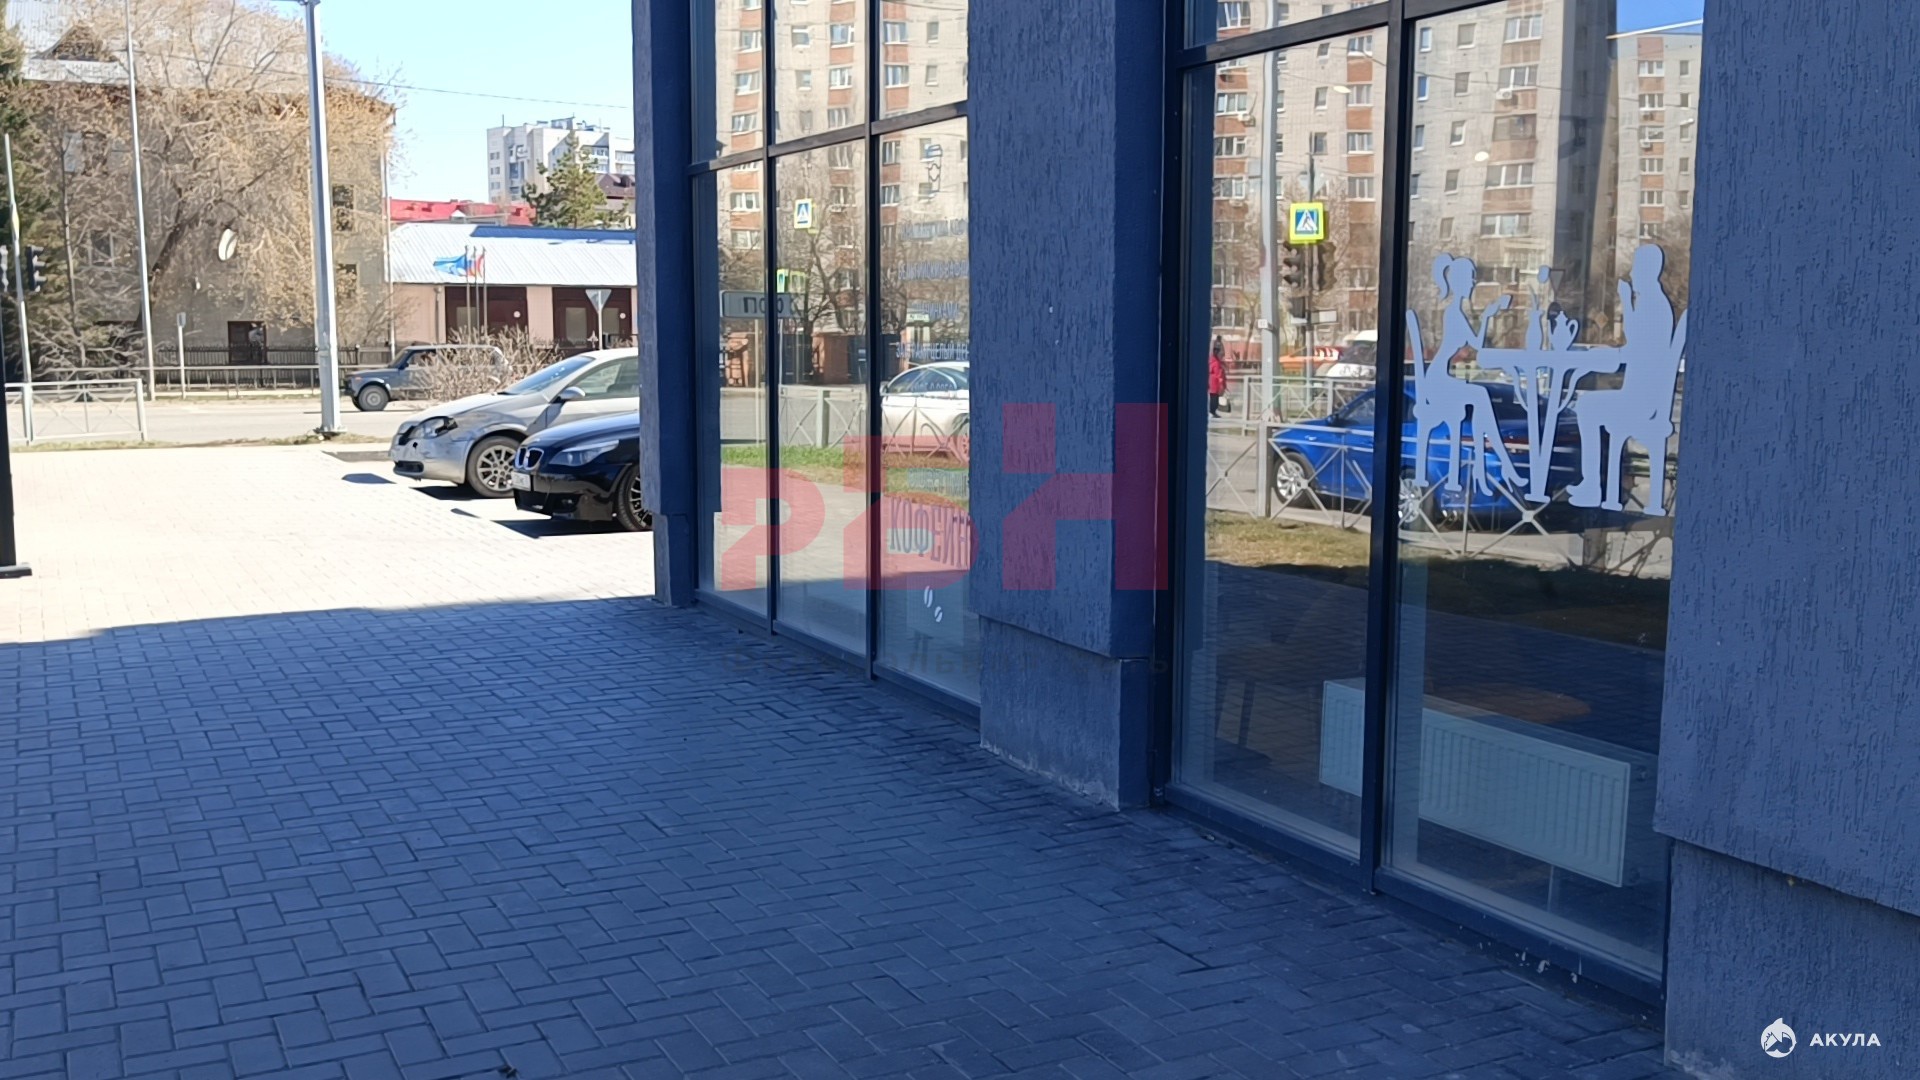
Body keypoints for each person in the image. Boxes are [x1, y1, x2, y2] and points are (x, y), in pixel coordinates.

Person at [1207, 336, 1227, 418]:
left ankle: (1212, 411)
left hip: (1213, 383)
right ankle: (1212, 411)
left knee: (1214, 398)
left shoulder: (1213, 361)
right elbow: (1218, 373)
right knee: (1214, 398)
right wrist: (1221, 382)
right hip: (1215, 383)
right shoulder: (1215, 362)